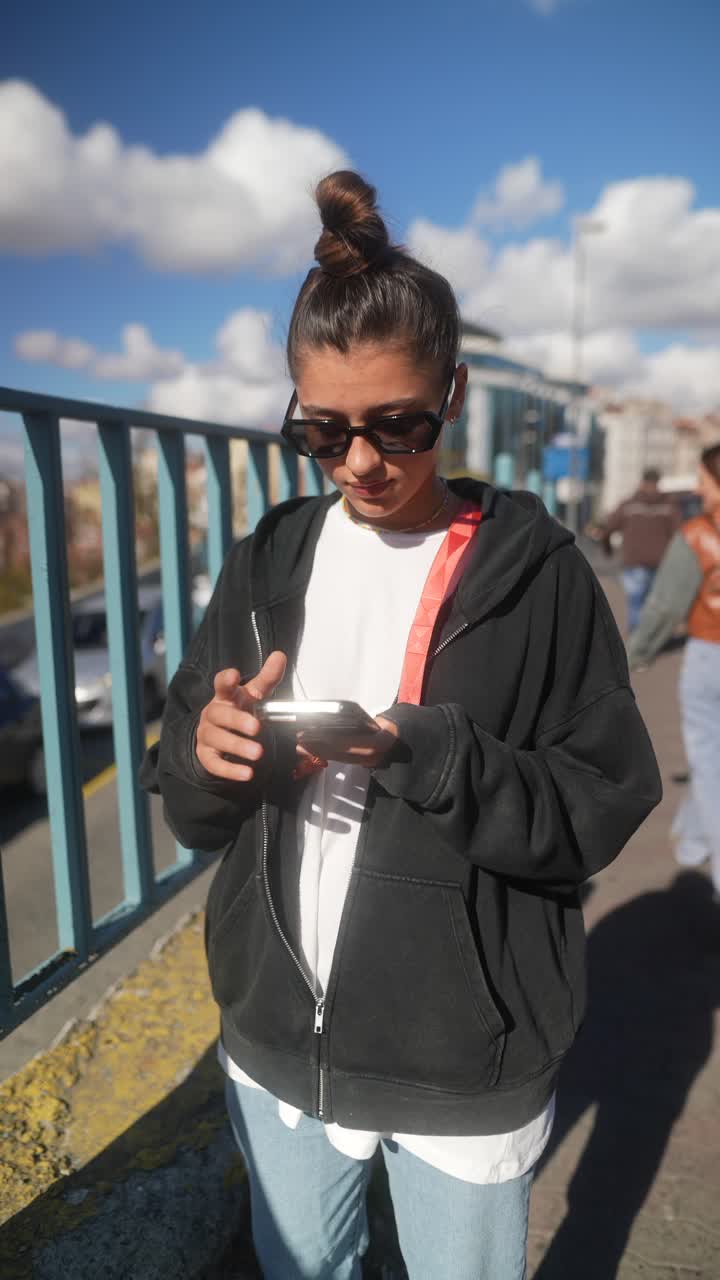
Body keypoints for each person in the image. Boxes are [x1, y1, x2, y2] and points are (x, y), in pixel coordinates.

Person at [141, 171, 661, 1280]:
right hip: (277, 1044)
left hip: (462, 1065)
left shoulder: (542, 573)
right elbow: (185, 801)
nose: (364, 463)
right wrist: (206, 753)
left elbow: (601, 800)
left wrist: (425, 750)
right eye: (323, 434)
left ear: (456, 394)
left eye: (399, 425)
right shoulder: (267, 557)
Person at [627, 443, 720, 900]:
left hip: (710, 655)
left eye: (703, 479)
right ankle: (694, 839)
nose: (698, 487)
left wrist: (634, 656)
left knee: (709, 762)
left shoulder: (699, 533)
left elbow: (664, 608)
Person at [591, 468, 681, 632]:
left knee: (635, 602)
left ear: (642, 483)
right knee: (654, 604)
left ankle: (637, 640)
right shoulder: (669, 506)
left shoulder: (629, 505)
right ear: (658, 483)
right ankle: (648, 638)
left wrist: (607, 549)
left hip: (634, 562)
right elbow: (679, 534)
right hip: (660, 562)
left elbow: (608, 528)